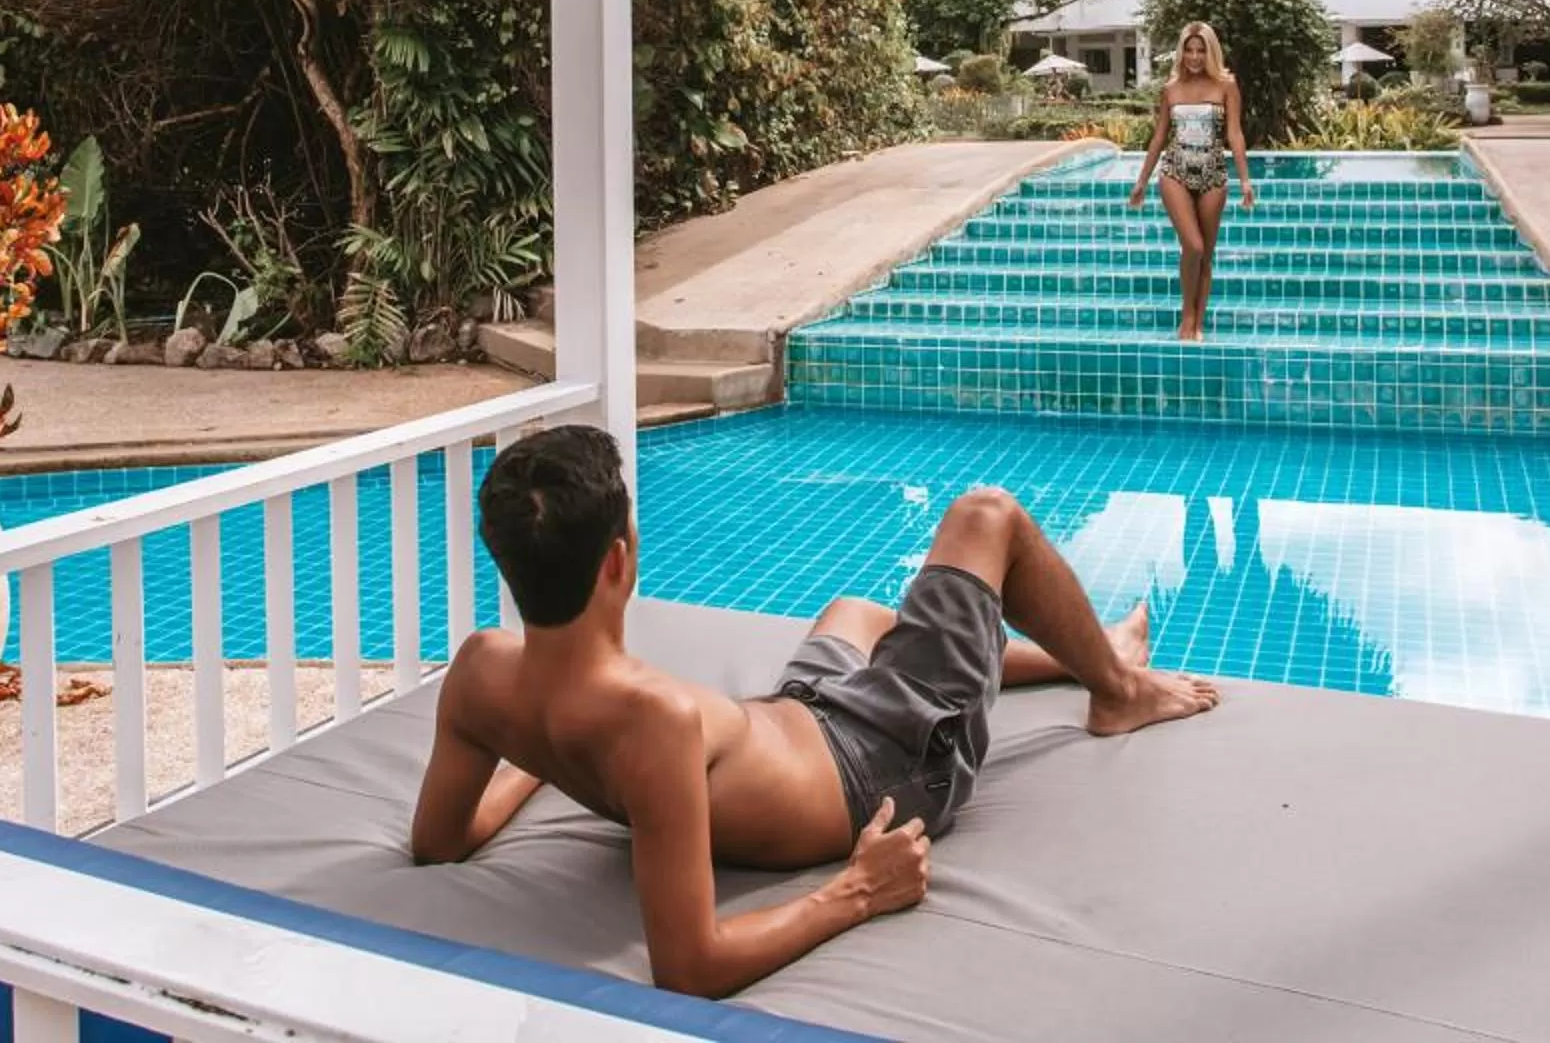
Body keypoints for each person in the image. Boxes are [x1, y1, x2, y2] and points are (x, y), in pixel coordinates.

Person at [409, 426, 1220, 998]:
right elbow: (691, 967)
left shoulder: (484, 674)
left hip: (801, 713)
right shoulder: (653, 723)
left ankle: (1088, 655)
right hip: (887, 759)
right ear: (620, 560)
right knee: (988, 516)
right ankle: (1118, 691)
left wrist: (540, 761)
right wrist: (859, 890)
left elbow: (439, 840)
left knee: (853, 614)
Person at [1126, 19, 1257, 338]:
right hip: (1176, 171)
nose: (1195, 57)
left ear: (1211, 52)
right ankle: (1187, 316)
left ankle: (1198, 323)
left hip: (1213, 174)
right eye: (1189, 50)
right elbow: (1159, 136)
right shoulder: (1171, 89)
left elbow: (1235, 134)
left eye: (1201, 50)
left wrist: (1245, 180)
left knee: (1205, 255)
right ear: (1181, 53)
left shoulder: (1226, 86)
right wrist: (1142, 180)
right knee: (1193, 247)